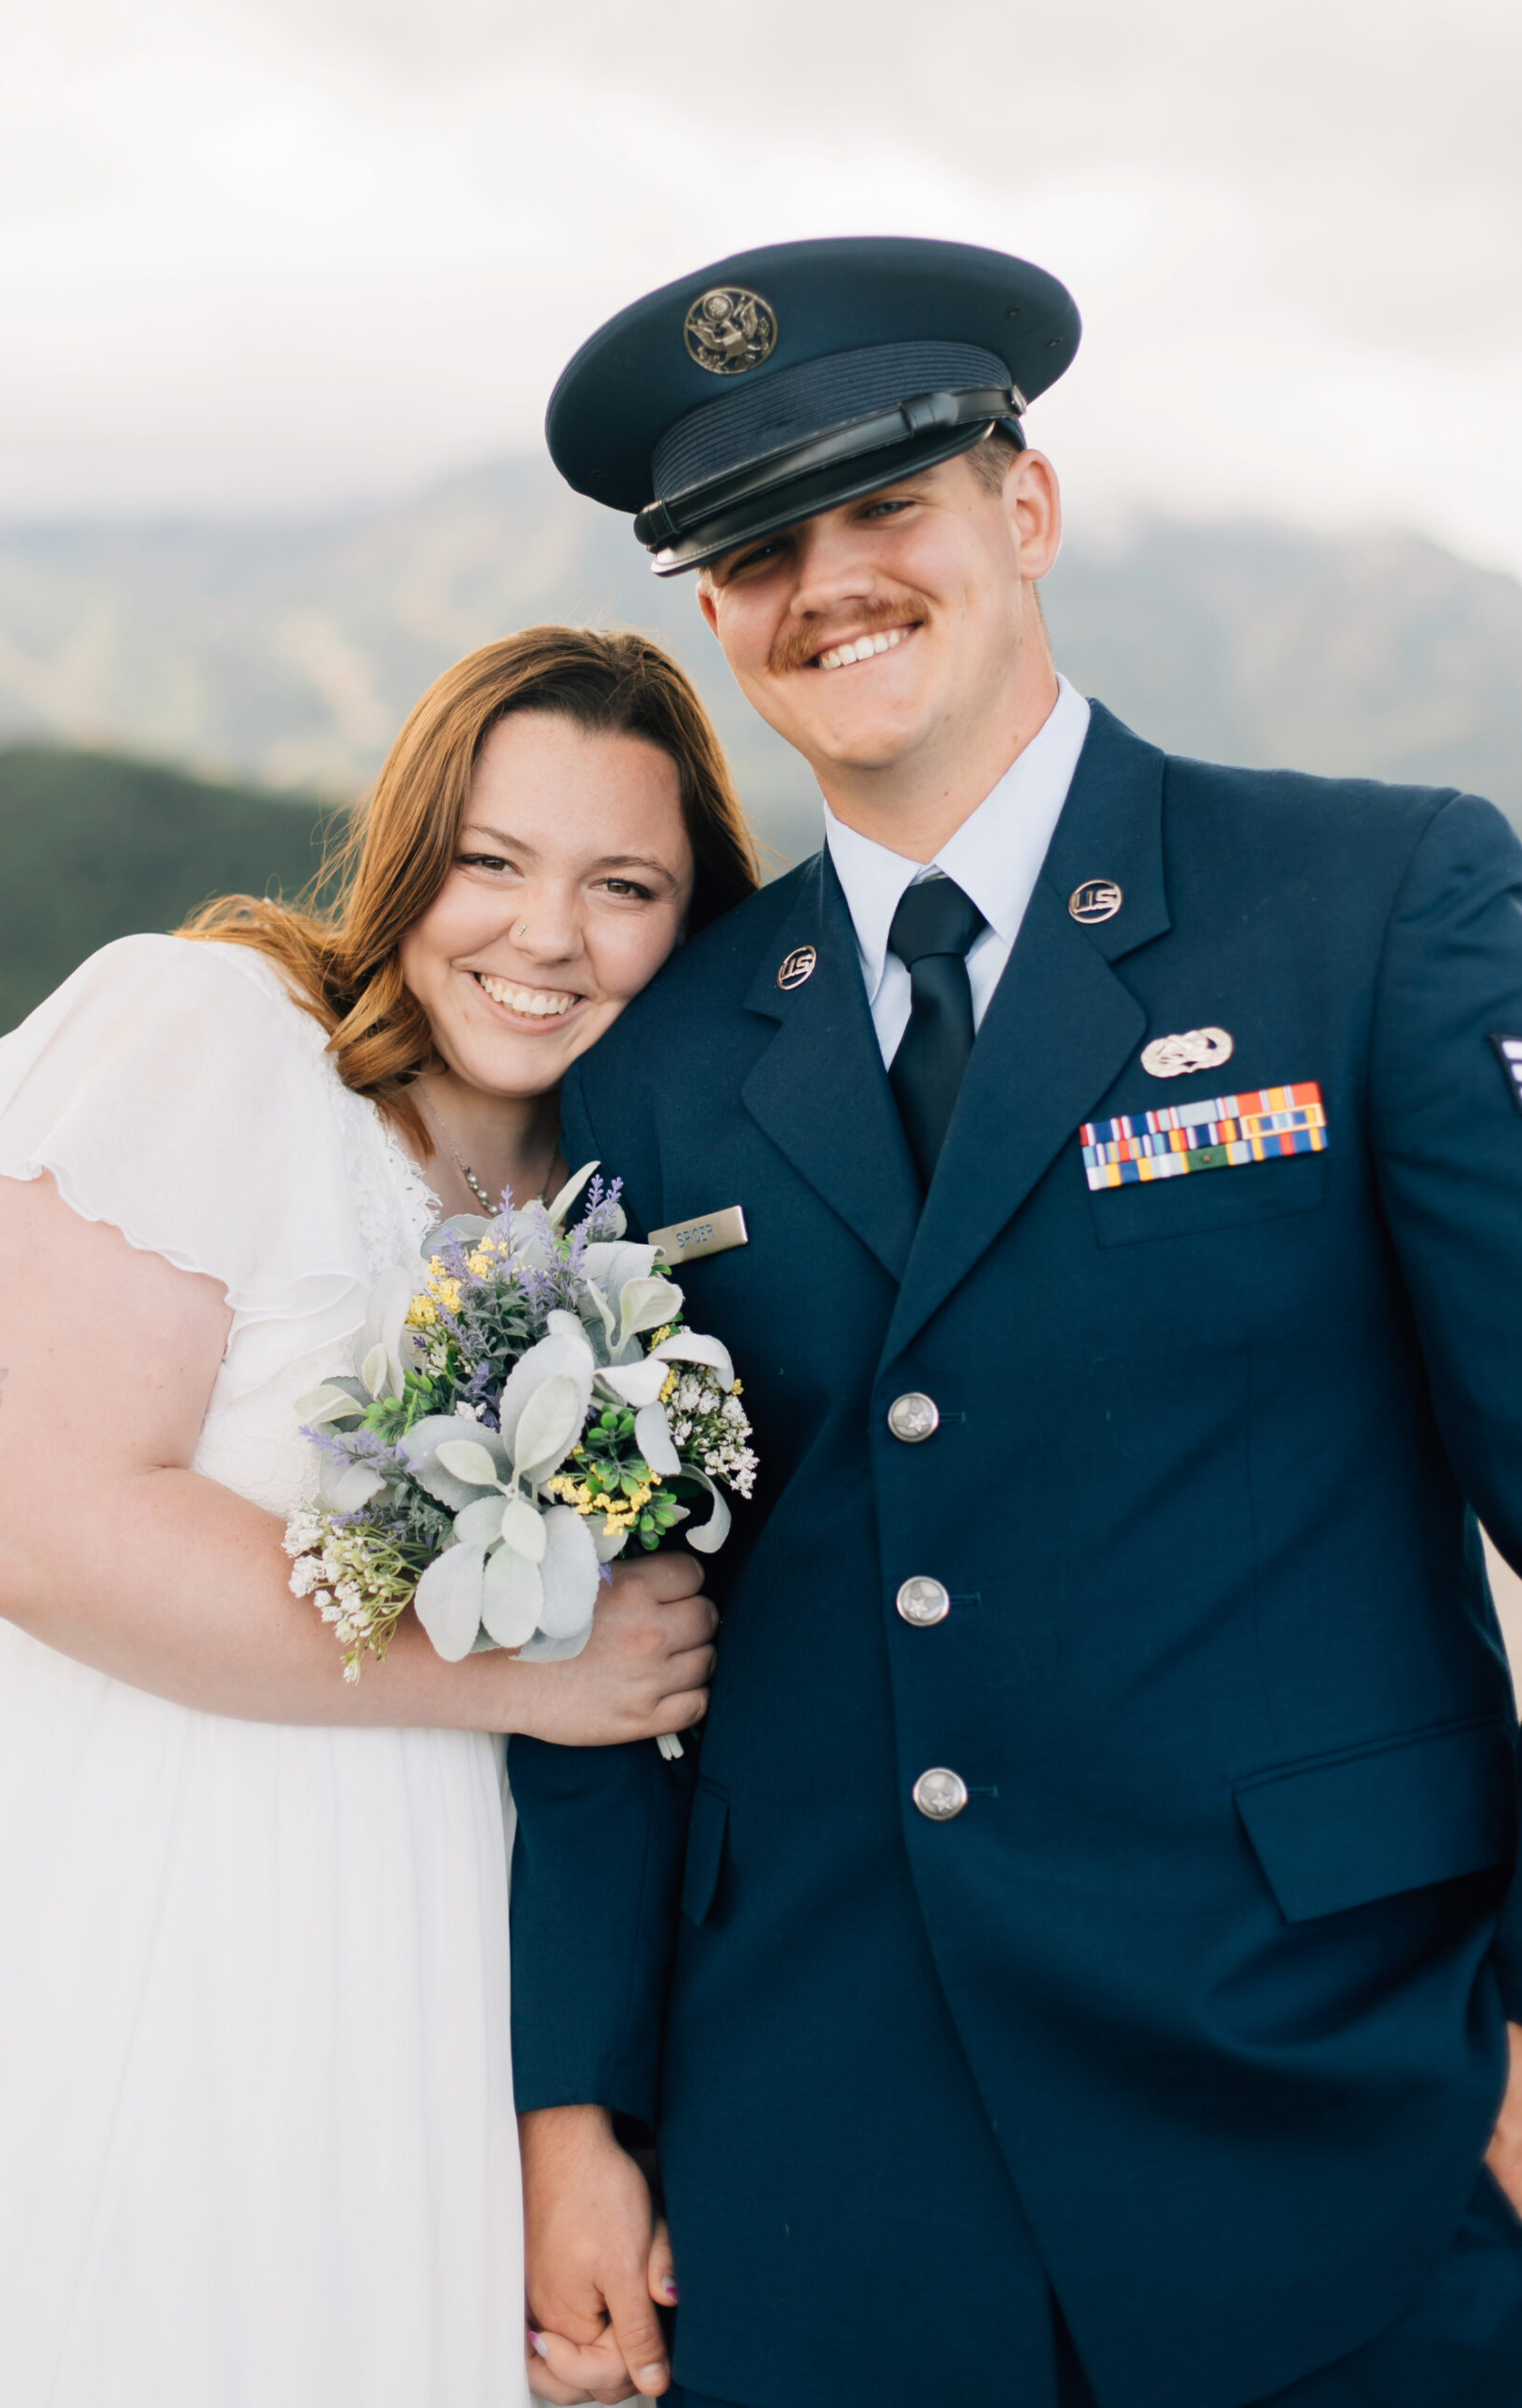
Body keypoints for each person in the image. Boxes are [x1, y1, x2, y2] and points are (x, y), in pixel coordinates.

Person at [509, 238, 1522, 2408]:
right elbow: (604, 1608)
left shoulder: (1379, 905)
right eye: (760, 551)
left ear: (1027, 513)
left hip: (1342, 2104)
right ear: (718, 615)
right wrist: (573, 2116)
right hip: (822, 2158)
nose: (831, 583)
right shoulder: (666, 1051)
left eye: (889, 505)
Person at [0, 626, 756, 2408]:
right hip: (91, 1870)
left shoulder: (614, 1214)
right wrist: (530, 1674)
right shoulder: (208, 1033)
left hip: (405, 1945)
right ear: (404, 851)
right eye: (490, 861)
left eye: (623, 885)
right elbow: (31, 1522)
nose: (545, 935)